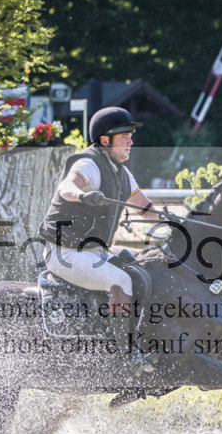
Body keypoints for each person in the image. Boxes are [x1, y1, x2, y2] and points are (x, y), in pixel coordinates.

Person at [38, 106, 163, 370]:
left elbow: (145, 208)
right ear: (105, 141)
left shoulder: (121, 172)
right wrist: (83, 195)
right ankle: (126, 356)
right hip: (65, 253)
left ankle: (130, 335)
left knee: (136, 267)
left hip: (92, 252)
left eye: (131, 136)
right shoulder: (89, 163)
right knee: (121, 280)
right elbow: (66, 187)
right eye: (124, 137)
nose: (131, 142)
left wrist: (175, 221)